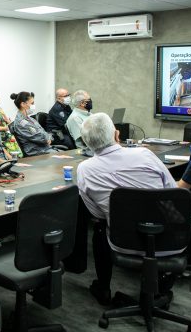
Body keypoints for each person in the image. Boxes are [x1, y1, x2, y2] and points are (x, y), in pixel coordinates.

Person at [76, 112, 176, 305]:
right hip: (167, 238)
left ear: (87, 143)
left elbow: (96, 213)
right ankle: (161, 288)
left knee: (99, 226)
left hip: (122, 241)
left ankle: (103, 287)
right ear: (117, 135)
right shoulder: (144, 154)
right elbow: (171, 191)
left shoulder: (84, 169)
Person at [10, 92, 56, 156]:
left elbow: (42, 132)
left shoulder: (31, 119)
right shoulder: (21, 123)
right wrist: (47, 139)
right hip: (37, 152)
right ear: (23, 104)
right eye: (32, 103)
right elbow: (39, 137)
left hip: (44, 149)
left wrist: (49, 138)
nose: (33, 105)